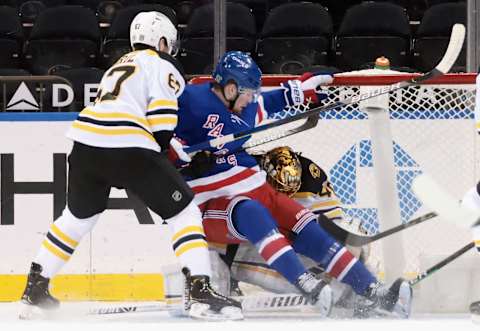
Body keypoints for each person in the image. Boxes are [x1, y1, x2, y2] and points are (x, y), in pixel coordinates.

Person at [19, 11, 242, 321]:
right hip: (127, 146)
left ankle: (35, 288)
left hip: (85, 145)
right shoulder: (162, 65)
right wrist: (174, 155)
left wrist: (169, 151)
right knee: (184, 211)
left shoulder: (118, 65)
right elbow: (162, 125)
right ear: (162, 42)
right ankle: (201, 292)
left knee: (77, 217)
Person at [175, 51, 412, 318]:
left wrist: (299, 90)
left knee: (304, 222)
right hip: (211, 203)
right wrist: (178, 155)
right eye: (247, 93)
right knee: (254, 214)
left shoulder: (247, 107)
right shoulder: (191, 99)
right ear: (230, 88)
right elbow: (155, 131)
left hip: (254, 188)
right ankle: (306, 285)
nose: (251, 98)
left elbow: (269, 102)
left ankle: (373, 290)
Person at [211, 146, 412, 318]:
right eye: (279, 189)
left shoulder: (313, 179)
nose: (285, 196)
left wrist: (349, 238)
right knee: (221, 253)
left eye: (291, 190)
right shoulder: (244, 174)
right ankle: (342, 298)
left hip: (295, 241)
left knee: (347, 248)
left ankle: (370, 292)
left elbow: (332, 224)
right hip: (251, 247)